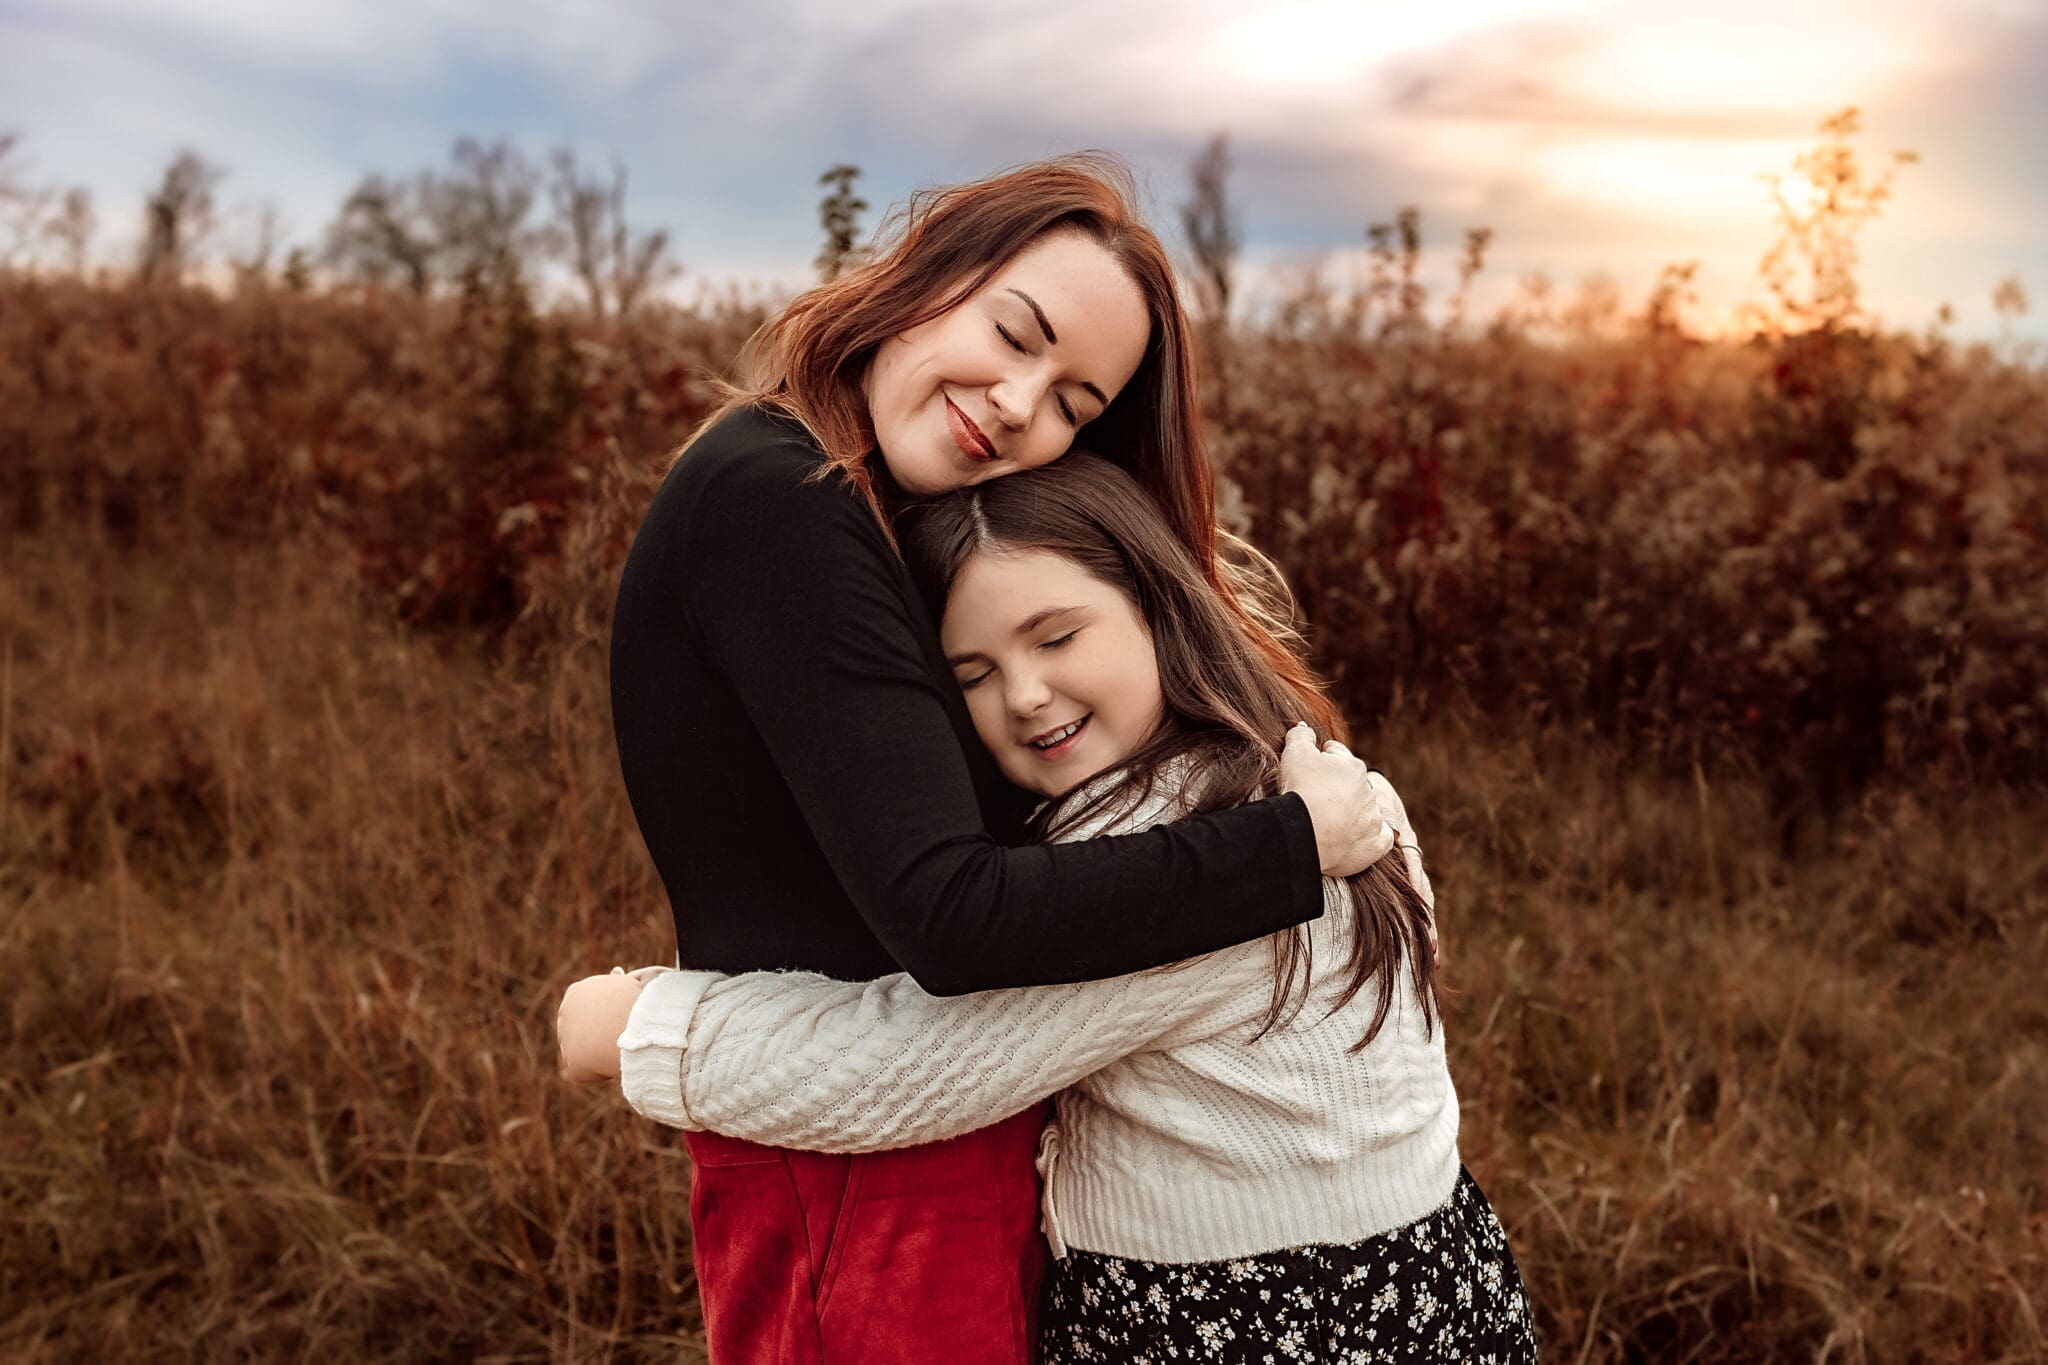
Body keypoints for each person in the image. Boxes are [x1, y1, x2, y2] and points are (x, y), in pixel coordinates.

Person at [567, 155, 1408, 1363]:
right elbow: (947, 915)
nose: (1021, 406)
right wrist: (1286, 845)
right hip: (852, 1157)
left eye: (1074, 403)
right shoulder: (777, 499)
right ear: (926, 275)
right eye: (1014, 336)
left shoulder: (857, 506)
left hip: (933, 1123)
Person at [564, 454, 1540, 1363]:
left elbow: (910, 1069)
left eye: (1056, 636)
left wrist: (651, 1026)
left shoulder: (1176, 850)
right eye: (971, 676)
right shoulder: (1310, 773)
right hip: (1430, 1278)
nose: (1025, 696)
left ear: (1158, 607)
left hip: (1256, 1323)